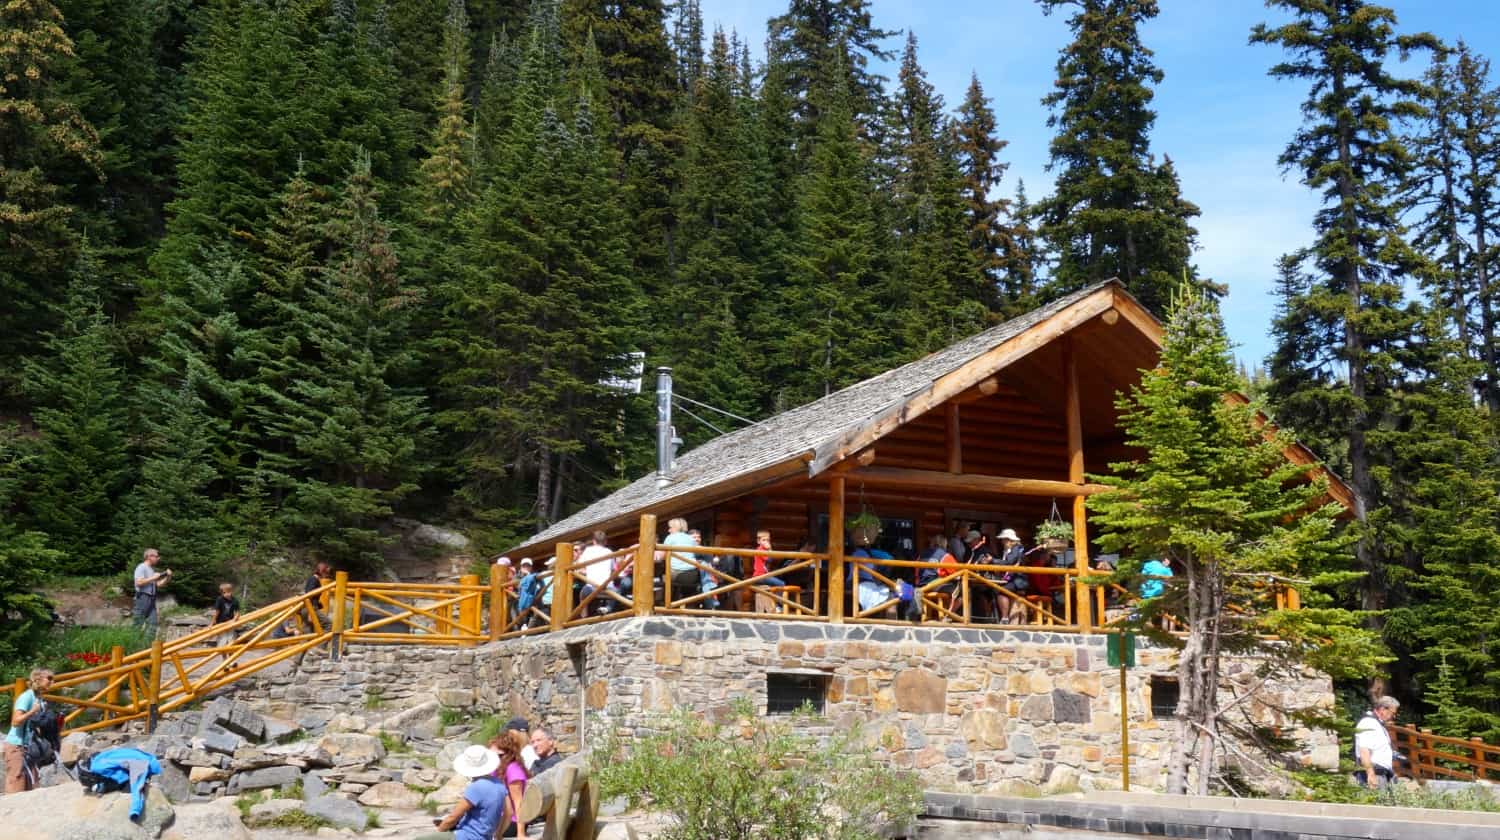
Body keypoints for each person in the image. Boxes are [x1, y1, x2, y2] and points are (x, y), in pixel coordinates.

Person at [417, 744, 508, 840]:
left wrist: (439, 831)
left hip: (467, 836)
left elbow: (453, 817)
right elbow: (507, 812)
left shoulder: (476, 787)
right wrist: (498, 835)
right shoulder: (500, 784)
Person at [4, 668, 55, 793]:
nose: (52, 682)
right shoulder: (26, 697)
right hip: (17, 746)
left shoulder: (40, 698)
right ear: (37, 679)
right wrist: (32, 711)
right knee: (17, 784)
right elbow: (15, 722)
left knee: (32, 786)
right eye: (49, 678)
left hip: (30, 748)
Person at [487, 729, 530, 839]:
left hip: (511, 822)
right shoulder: (497, 768)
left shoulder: (513, 769)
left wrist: (521, 834)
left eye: (498, 755)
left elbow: (518, 802)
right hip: (500, 817)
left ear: (508, 753)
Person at [1354, 696, 1400, 789]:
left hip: (1381, 774)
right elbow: (1364, 751)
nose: (1393, 717)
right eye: (1392, 713)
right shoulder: (1368, 723)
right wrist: (1371, 774)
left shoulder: (1378, 724)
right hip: (1374, 774)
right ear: (1383, 709)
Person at [656, 518, 700, 602]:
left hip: (676, 574)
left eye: (670, 527)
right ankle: (687, 606)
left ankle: (667, 604)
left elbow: (662, 557)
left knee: (665, 577)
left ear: (676, 528)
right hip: (692, 574)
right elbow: (695, 554)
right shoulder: (691, 539)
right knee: (683, 585)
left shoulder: (670, 537)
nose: (669, 530)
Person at [993, 529, 1030, 624]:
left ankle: (1005, 618)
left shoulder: (1017, 548)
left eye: (1003, 539)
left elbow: (1010, 562)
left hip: (1018, 580)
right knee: (997, 589)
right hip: (1014, 579)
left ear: (1008, 540)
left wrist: (993, 561)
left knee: (1001, 591)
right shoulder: (1010, 549)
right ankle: (1003, 617)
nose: (1002, 542)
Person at [132, 548, 172, 633]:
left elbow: (158, 584)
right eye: (157, 556)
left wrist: (168, 577)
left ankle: (148, 645)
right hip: (142, 598)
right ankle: (132, 645)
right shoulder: (141, 567)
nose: (158, 558)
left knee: (153, 624)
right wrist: (154, 577)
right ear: (149, 556)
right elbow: (138, 582)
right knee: (137, 624)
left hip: (151, 599)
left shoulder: (151, 569)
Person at [576, 531, 616, 614]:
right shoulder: (609, 551)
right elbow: (613, 570)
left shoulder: (588, 551)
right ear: (605, 541)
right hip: (608, 587)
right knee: (617, 591)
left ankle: (583, 619)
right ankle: (607, 609)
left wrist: (586, 571)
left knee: (582, 595)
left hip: (591, 587)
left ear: (593, 541)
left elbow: (578, 567)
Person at [211, 583, 240, 655]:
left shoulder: (235, 600)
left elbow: (237, 613)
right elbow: (217, 611)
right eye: (224, 592)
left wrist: (234, 620)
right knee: (222, 642)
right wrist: (212, 623)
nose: (226, 594)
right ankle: (224, 661)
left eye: (228, 592)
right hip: (221, 623)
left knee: (231, 642)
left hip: (230, 623)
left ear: (231, 591)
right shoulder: (220, 599)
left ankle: (231, 661)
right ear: (221, 593)